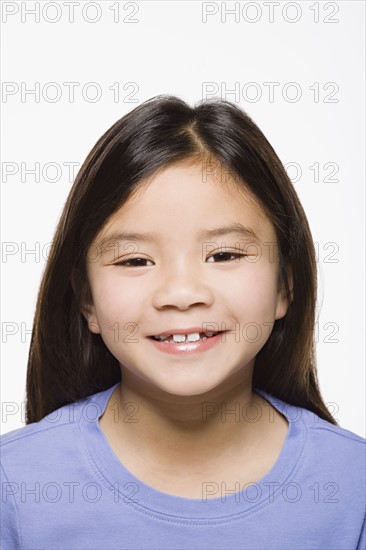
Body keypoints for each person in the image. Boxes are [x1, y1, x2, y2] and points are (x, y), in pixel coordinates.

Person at [1, 95, 365, 549]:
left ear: (284, 286)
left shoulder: (353, 489)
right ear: (87, 300)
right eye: (135, 260)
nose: (181, 294)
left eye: (225, 254)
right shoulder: (14, 484)